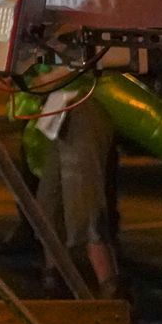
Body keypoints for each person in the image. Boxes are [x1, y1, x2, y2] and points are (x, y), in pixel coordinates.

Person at [35, 92, 124, 299]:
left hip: (85, 101)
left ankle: (109, 289)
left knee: (83, 201)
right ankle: (56, 280)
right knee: (48, 202)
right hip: (61, 103)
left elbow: (120, 58)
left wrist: (51, 77)